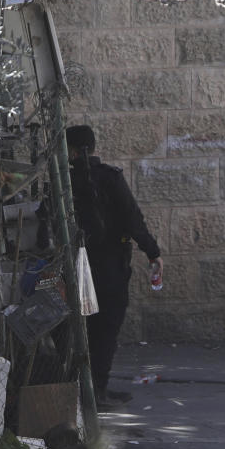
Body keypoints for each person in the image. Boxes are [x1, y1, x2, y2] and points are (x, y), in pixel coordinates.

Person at [65, 125, 164, 410]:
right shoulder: (109, 178)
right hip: (110, 266)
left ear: (70, 150)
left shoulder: (66, 181)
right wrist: (153, 252)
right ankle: (97, 390)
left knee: (85, 326)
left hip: (77, 265)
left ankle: (86, 388)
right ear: (93, 147)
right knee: (106, 329)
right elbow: (133, 219)